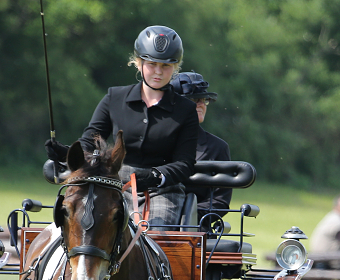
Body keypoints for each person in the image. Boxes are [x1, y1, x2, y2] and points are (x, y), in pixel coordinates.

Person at [45, 26, 199, 230]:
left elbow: (185, 163)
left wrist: (155, 175)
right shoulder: (114, 98)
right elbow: (90, 141)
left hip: (162, 191)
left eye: (166, 66)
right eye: (152, 64)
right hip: (113, 185)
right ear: (139, 63)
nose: (158, 72)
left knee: (153, 236)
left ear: (176, 67)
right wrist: (67, 153)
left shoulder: (186, 109)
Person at [172, 71, 231, 226]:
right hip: (150, 224)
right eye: (193, 100)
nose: (200, 104)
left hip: (196, 230)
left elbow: (220, 200)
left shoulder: (217, 147)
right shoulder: (154, 141)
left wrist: (187, 216)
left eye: (203, 100)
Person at [310, 195, 340, 269]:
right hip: (326, 262)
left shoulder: (332, 217)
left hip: (321, 259)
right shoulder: (337, 221)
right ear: (336, 206)